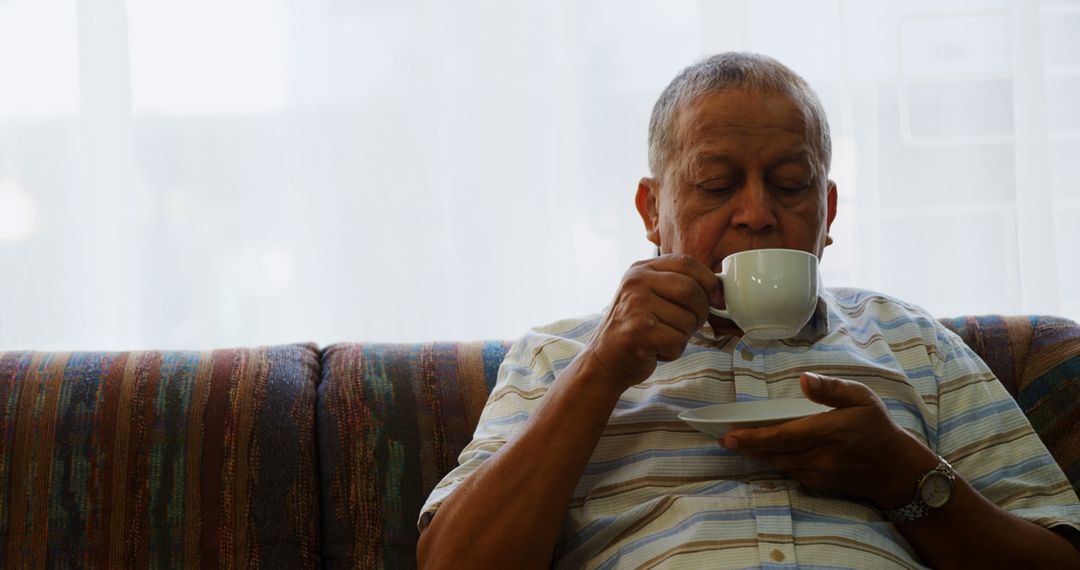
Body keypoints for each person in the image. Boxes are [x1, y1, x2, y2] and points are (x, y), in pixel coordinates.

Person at [416, 52, 1080, 569]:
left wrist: (903, 477)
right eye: (716, 184)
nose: (758, 214)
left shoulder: (916, 344)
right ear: (653, 211)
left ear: (829, 214)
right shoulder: (557, 358)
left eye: (791, 186)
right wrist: (602, 371)